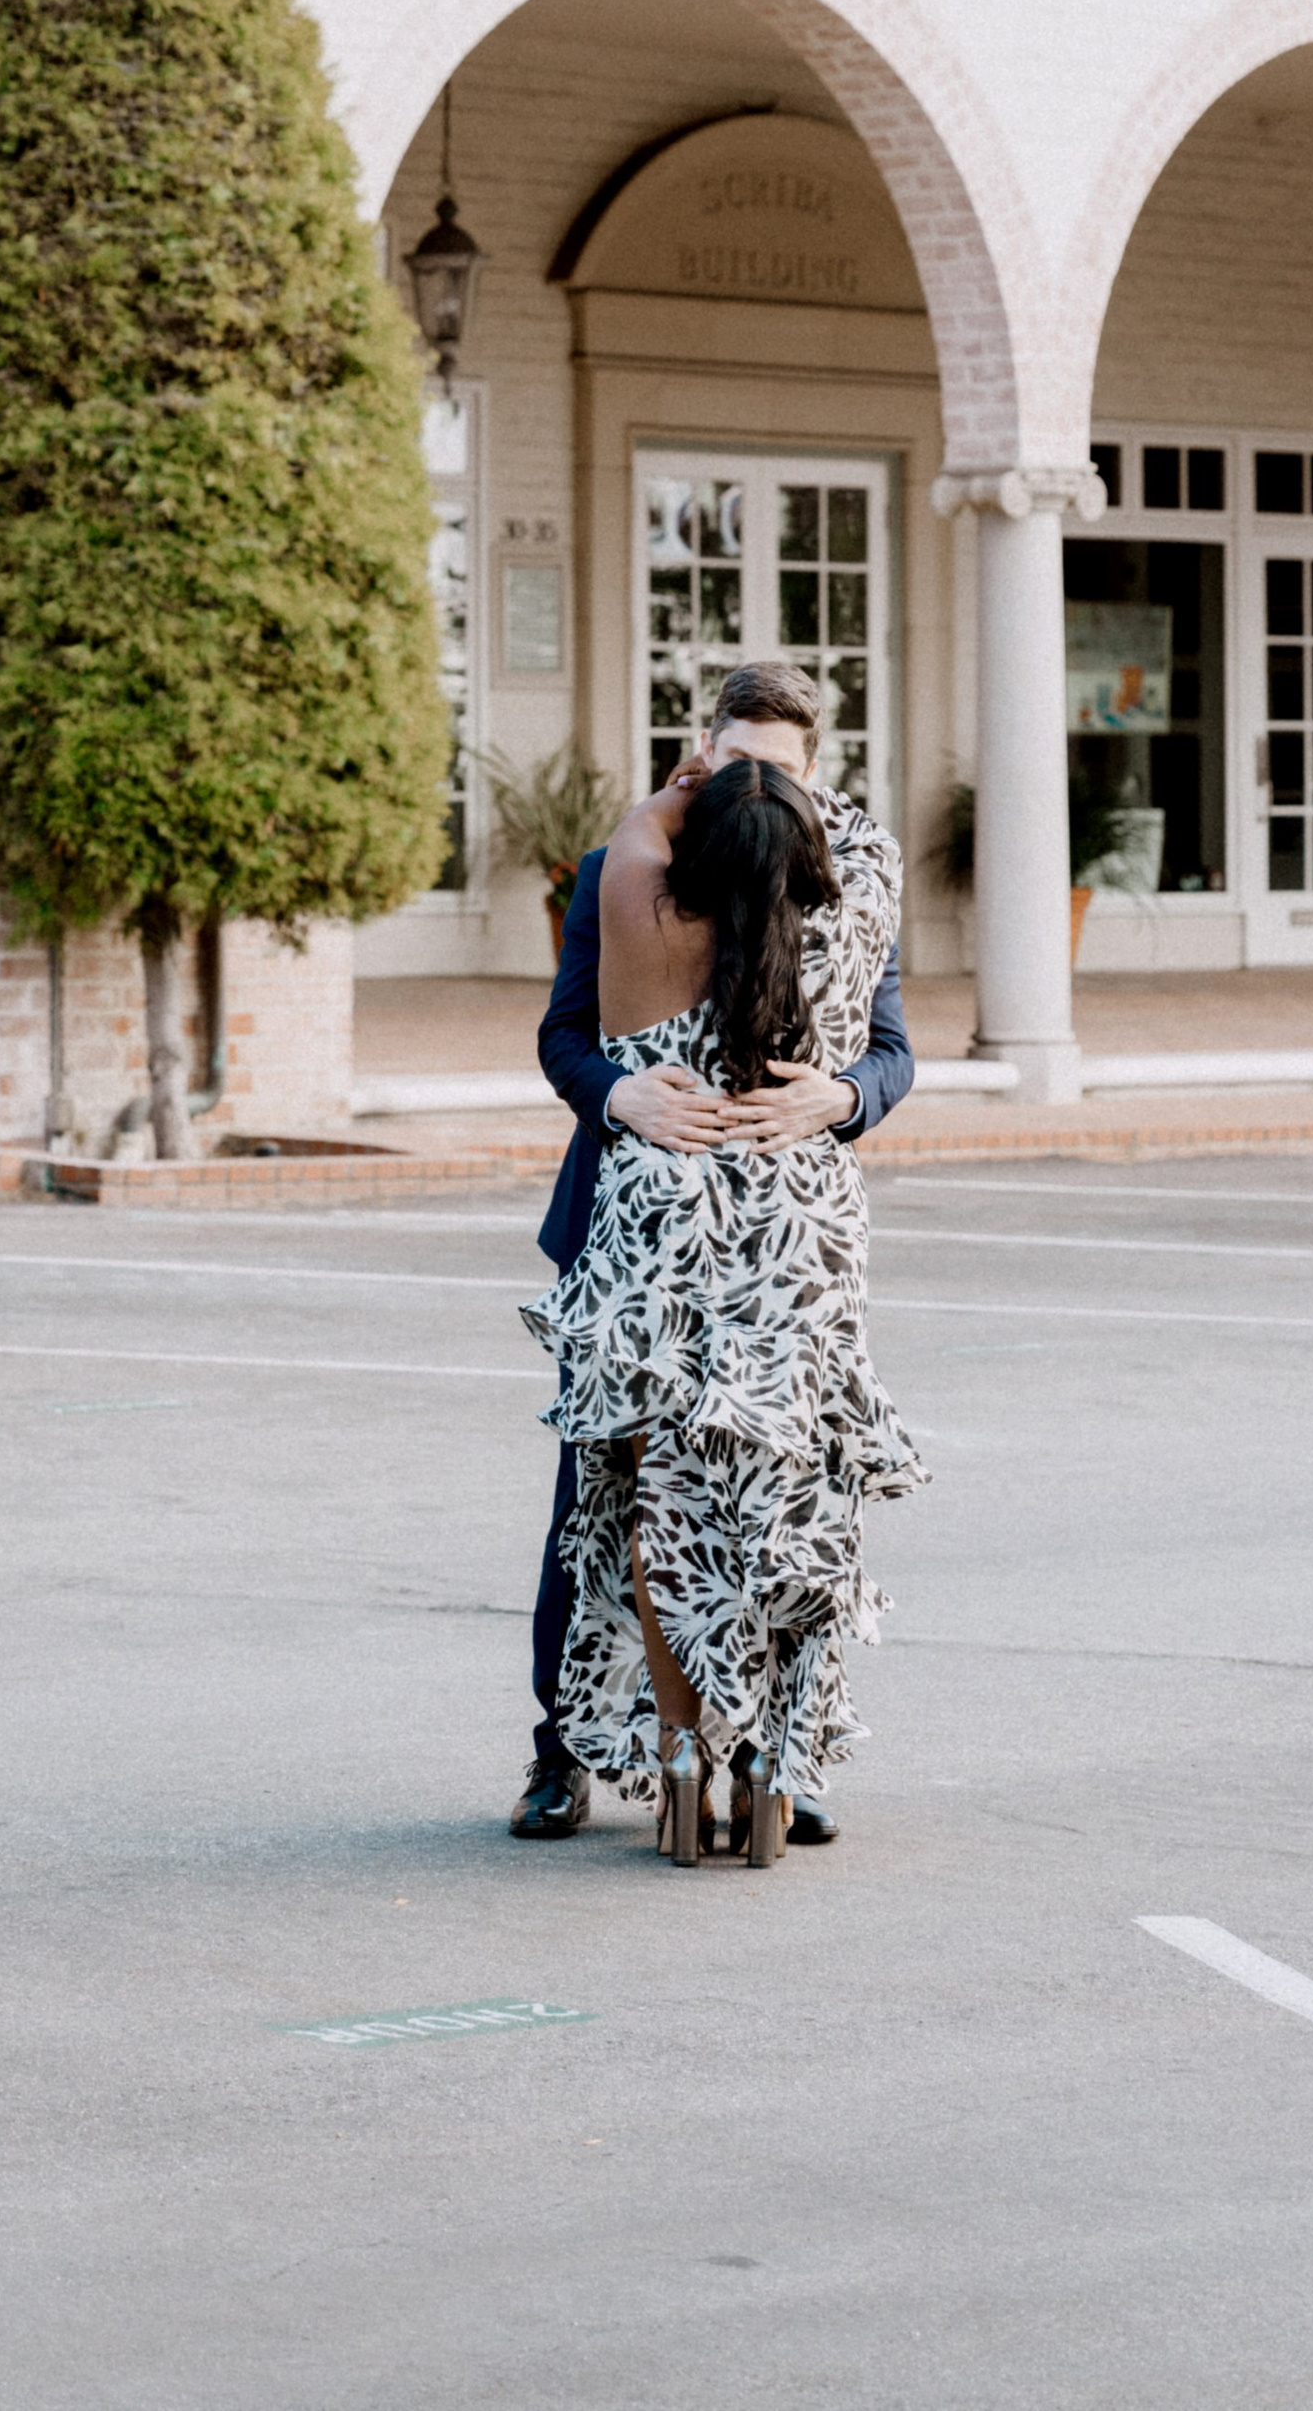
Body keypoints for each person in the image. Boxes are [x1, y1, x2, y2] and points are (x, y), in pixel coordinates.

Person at [511, 660, 915, 1839]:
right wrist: (619, 1098)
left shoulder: (845, 893)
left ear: (812, 772)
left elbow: (892, 1050)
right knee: (599, 1500)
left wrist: (838, 1096)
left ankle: (767, 1760)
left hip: (766, 1247)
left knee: (768, 1495)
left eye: (775, 768)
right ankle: (561, 1754)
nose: (753, 782)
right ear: (702, 746)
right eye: (735, 758)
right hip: (634, 1231)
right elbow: (562, 1038)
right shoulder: (619, 875)